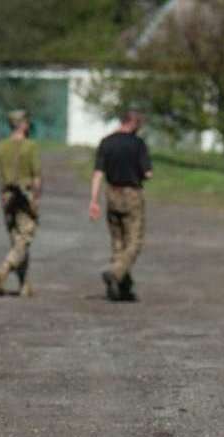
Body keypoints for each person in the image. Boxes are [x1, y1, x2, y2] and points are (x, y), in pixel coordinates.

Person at [88, 110, 152, 301]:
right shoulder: (138, 144)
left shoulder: (106, 142)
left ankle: (121, 289)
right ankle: (116, 273)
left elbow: (98, 173)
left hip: (112, 194)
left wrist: (93, 200)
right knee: (134, 242)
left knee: (117, 242)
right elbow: (148, 173)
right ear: (133, 123)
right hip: (132, 195)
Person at [0, 109, 41, 297]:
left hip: (7, 197)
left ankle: (24, 284)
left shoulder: (0, 147)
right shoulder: (30, 146)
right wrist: (37, 198)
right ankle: (4, 268)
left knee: (17, 240)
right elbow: (37, 176)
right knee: (24, 239)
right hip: (25, 195)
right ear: (23, 124)